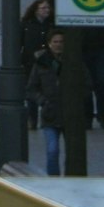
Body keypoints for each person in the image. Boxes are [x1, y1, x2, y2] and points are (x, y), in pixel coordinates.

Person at [26, 31, 68, 175]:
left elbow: (87, 84)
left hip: (70, 113)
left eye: (61, 42)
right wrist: (42, 101)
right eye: (55, 42)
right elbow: (32, 88)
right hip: (50, 113)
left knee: (72, 153)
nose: (58, 45)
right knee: (52, 150)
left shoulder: (73, 61)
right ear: (49, 44)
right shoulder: (41, 63)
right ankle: (54, 180)